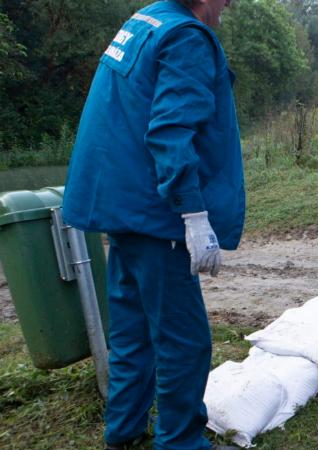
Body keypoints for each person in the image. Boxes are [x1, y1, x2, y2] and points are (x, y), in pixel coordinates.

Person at [62, 1, 243, 449]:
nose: (229, 4)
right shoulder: (185, 36)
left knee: (132, 330)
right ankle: (180, 442)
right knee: (184, 340)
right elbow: (170, 130)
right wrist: (194, 214)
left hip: (121, 207)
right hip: (156, 213)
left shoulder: (145, 21)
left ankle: (123, 433)